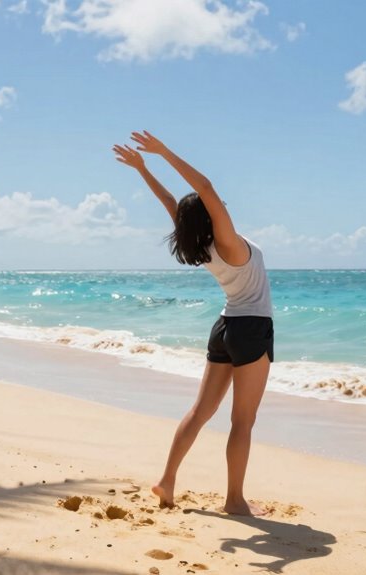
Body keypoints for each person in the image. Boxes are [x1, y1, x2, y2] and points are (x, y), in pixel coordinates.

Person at [113, 131, 274, 516]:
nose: (217, 204)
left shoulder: (202, 246)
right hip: (250, 328)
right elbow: (204, 186)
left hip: (224, 327)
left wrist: (142, 170)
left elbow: (172, 202)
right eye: (211, 205)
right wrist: (163, 153)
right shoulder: (229, 243)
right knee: (242, 421)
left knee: (201, 412)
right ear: (209, 214)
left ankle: (167, 481)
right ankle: (234, 501)